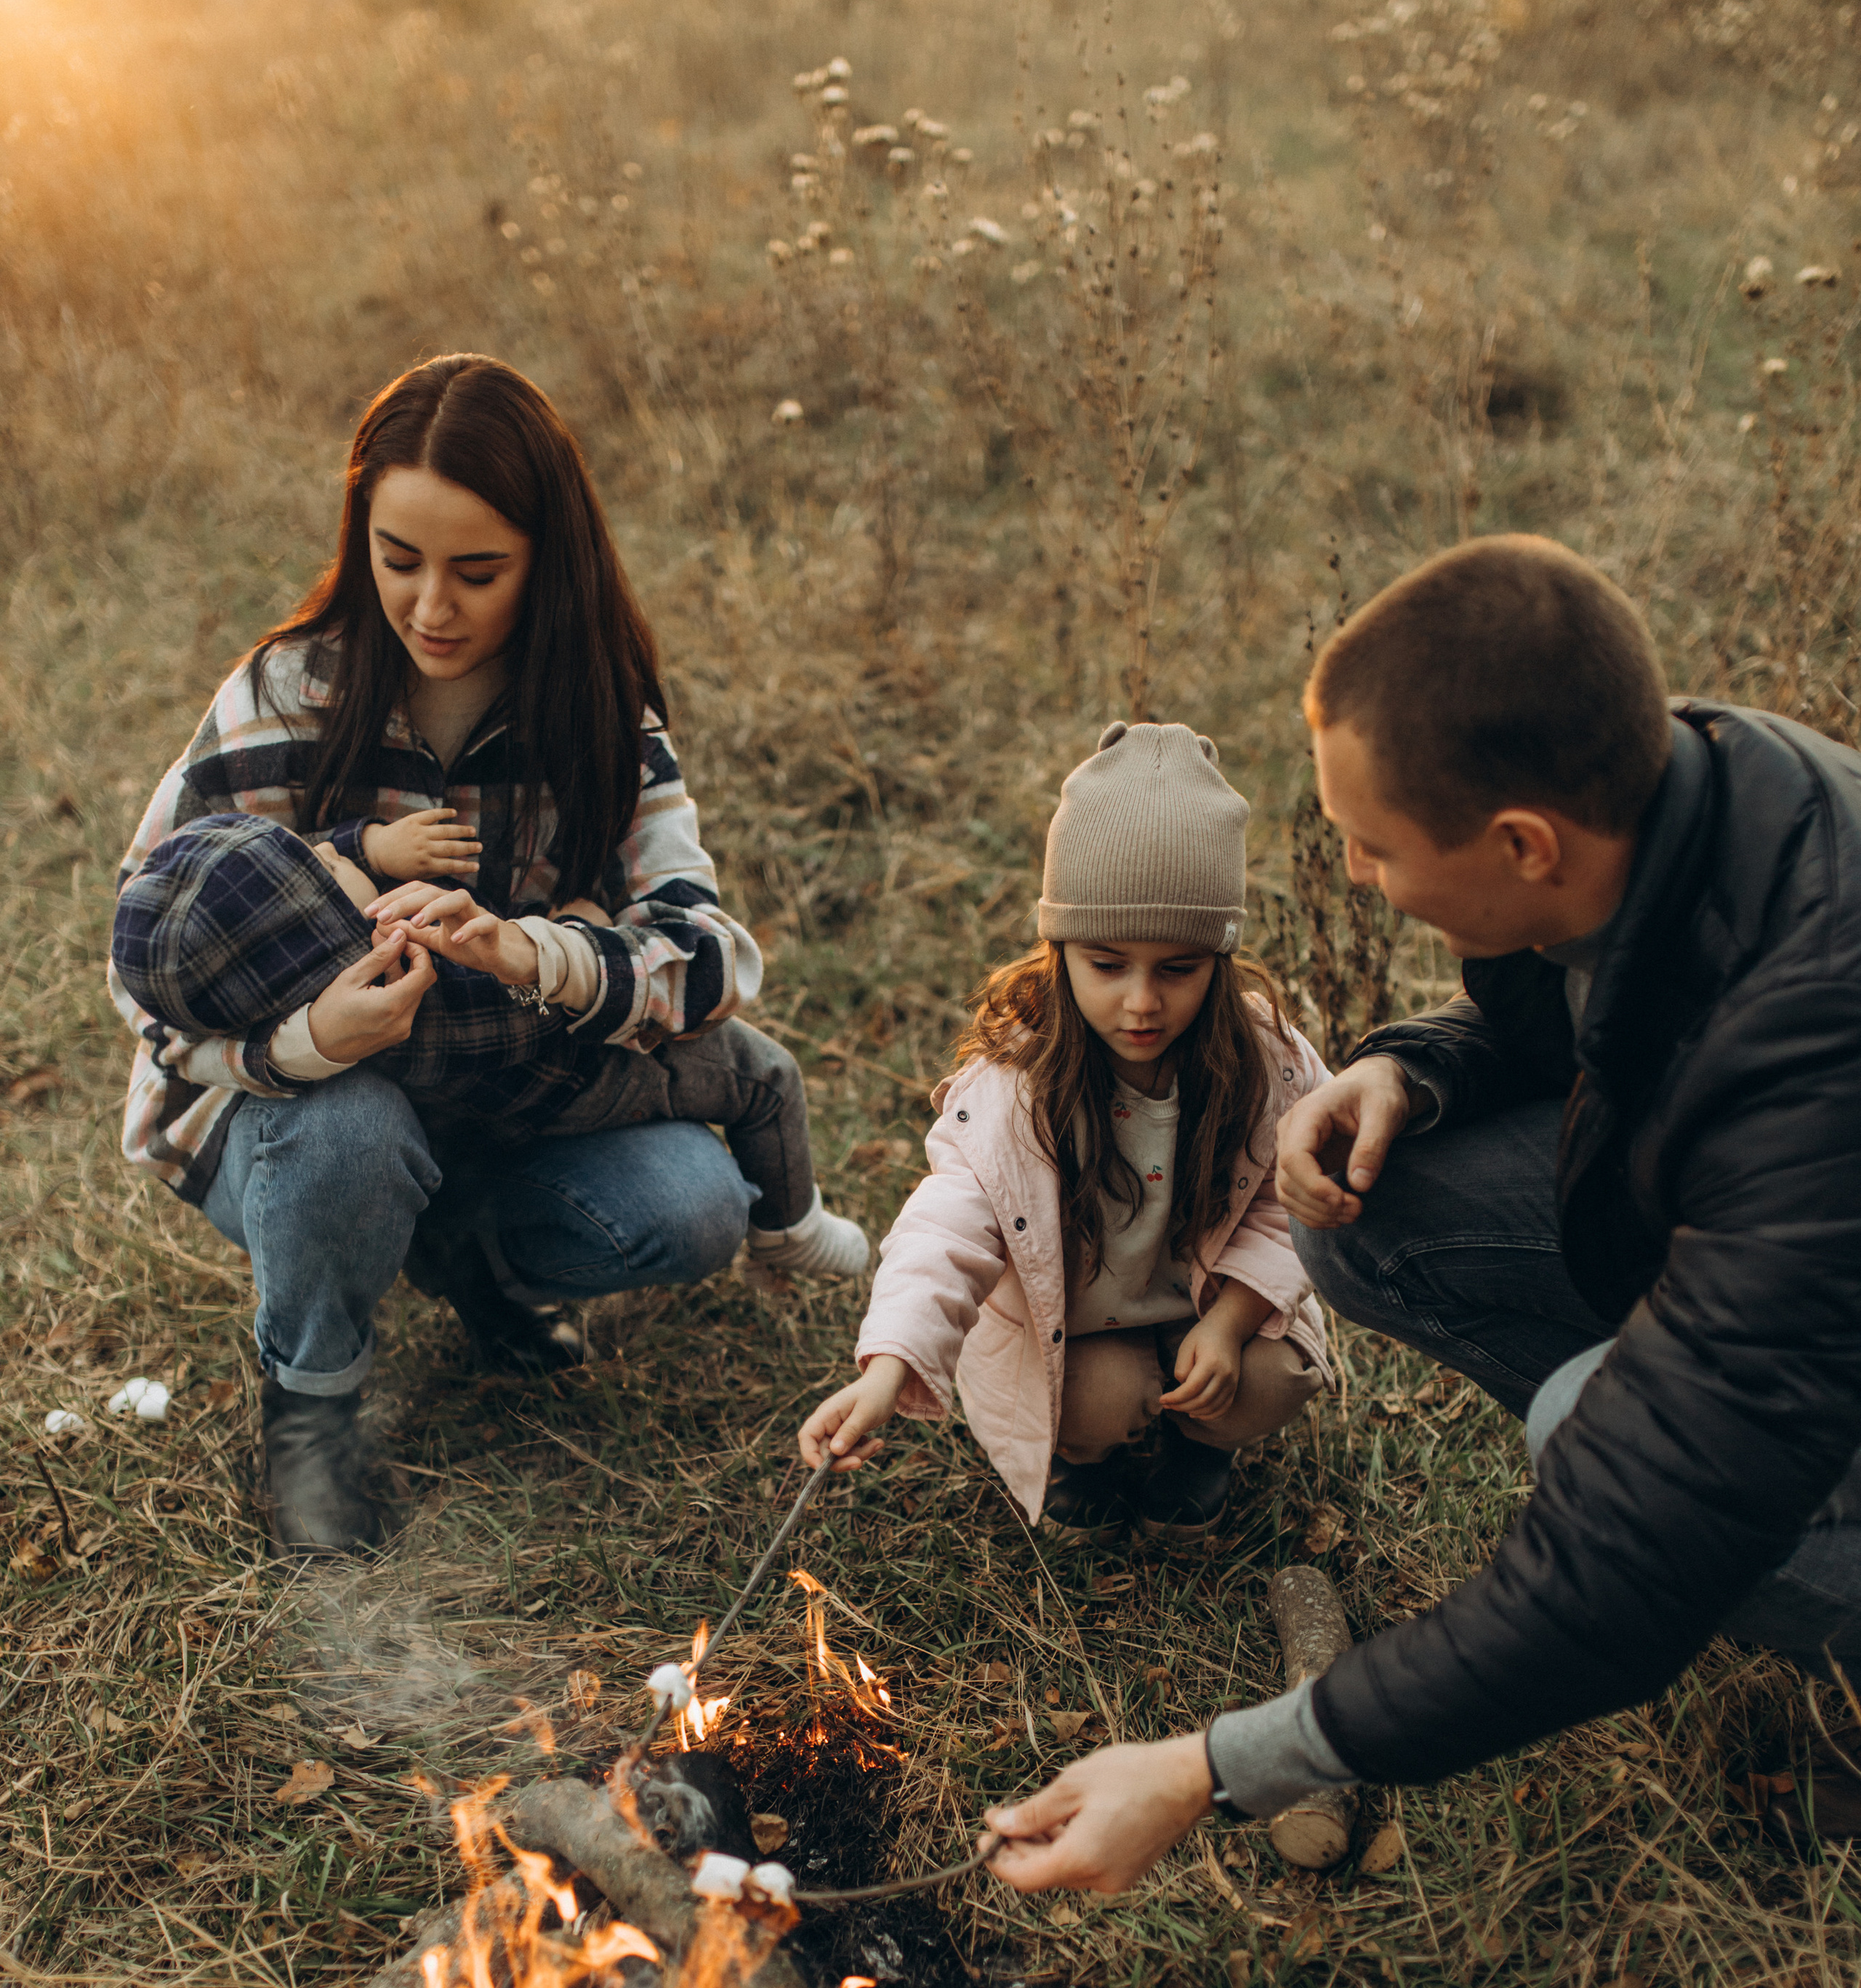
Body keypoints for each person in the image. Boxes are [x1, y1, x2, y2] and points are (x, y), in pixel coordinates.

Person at [982, 534, 1861, 1888]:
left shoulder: (1809, 1063)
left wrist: (1210, 1766)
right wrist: (1415, 1066)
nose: (1352, 875)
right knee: (1366, 1207)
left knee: (1601, 1441)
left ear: (1520, 845)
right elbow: (1584, 1017)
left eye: (1372, 846)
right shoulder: (1693, 787)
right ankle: (1663, 1422)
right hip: (1792, 1270)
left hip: (1808, 1273)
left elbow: (1614, 1575)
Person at [108, 354, 863, 1556]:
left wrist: (540, 954)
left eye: (478, 572)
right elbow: (142, 955)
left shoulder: (602, 713)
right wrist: (305, 1042)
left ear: (546, 563)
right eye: (397, 560)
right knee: (349, 1126)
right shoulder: (285, 695)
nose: (430, 609)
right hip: (291, 1120)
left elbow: (714, 956)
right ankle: (310, 1416)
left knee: (698, 1204)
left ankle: (467, 1257)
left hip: (509, 1092)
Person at [798, 720, 1332, 1540]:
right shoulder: (1017, 1085)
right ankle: (1082, 1458)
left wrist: (1227, 1326)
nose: (1143, 1002)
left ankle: (1202, 1446)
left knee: (1271, 1373)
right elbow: (947, 1228)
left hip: (1211, 1300)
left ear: (1219, 959)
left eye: (1178, 969)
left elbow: (1288, 1200)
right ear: (1059, 948)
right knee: (1097, 1402)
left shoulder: (1267, 1064)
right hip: (1076, 1327)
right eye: (1108, 964)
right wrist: (888, 1366)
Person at [111, 814, 849, 1279]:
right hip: (579, 1078)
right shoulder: (425, 999)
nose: (332, 851)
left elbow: (304, 872)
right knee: (762, 1076)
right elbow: (533, 1012)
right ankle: (792, 1228)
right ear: (348, 935)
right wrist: (572, 933)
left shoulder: (321, 979)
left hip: (497, 1097)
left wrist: (367, 844)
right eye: (333, 869)